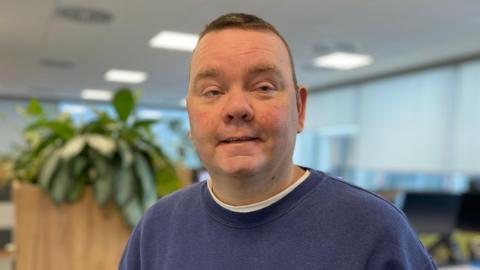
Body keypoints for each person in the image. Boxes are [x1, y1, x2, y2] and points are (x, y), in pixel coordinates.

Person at [119, 13, 437, 270]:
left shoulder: (374, 229)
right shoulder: (157, 228)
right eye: (213, 92)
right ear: (190, 115)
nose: (237, 109)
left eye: (264, 87)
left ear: (299, 109)